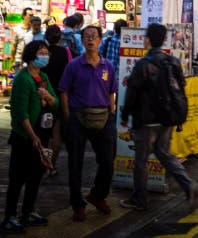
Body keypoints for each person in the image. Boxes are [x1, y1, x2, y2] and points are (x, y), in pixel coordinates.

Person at [119, 23, 198, 211]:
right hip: (167, 118)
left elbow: (132, 93)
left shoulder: (143, 64)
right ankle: (189, 185)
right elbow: (181, 85)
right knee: (165, 154)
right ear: (164, 40)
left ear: (147, 39)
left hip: (146, 120)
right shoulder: (173, 62)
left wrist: (124, 115)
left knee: (141, 161)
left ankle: (139, 198)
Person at [58, 24, 118, 222]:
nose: (90, 39)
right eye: (87, 36)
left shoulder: (107, 66)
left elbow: (112, 92)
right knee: (75, 163)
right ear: (82, 41)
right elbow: (64, 92)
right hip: (78, 117)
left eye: (94, 36)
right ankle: (77, 204)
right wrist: (68, 117)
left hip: (103, 117)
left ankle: (97, 196)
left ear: (100, 40)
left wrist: (112, 112)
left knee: (108, 162)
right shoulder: (73, 65)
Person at [1, 40, 59, 233]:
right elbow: (20, 113)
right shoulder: (22, 79)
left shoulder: (43, 77)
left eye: (47, 53)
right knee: (17, 177)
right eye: (42, 52)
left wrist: (48, 97)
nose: (45, 56)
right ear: (32, 55)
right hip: (25, 137)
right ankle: (9, 216)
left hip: (41, 134)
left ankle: (28, 212)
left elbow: (56, 103)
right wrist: (33, 136)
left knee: (35, 176)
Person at [42, 24, 71, 178]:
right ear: (60, 37)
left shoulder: (43, 53)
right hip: (59, 98)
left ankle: (42, 163)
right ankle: (51, 165)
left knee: (44, 133)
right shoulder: (65, 52)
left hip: (44, 98)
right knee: (56, 134)